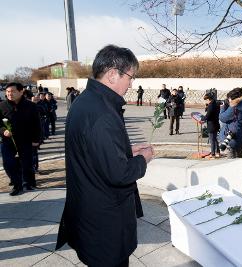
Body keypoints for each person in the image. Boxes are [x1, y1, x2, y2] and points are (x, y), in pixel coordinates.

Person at [56, 45, 154, 267]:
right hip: (105, 221)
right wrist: (143, 158)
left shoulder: (86, 102)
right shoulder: (102, 114)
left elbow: (91, 150)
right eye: (130, 77)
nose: (131, 84)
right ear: (112, 74)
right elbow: (119, 174)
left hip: (89, 212)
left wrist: (127, 151)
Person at [0, 83, 41, 195]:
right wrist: (4, 131)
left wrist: (36, 140)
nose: (9, 94)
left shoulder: (31, 106)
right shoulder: (2, 106)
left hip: (26, 141)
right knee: (8, 164)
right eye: (7, 91)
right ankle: (16, 184)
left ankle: (27, 183)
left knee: (26, 164)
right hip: (7, 141)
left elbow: (37, 124)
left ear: (21, 91)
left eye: (12, 91)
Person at [219, 88, 242, 158]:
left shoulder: (234, 107)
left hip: (231, 138)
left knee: (231, 162)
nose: (229, 100)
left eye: (229, 99)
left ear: (234, 99)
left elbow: (222, 118)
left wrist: (222, 108)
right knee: (239, 157)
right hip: (241, 136)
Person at [202, 93, 221, 158]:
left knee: (212, 140)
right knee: (215, 139)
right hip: (216, 123)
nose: (205, 101)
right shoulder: (216, 104)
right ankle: (217, 152)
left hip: (211, 124)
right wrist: (206, 107)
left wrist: (202, 118)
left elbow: (208, 115)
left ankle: (213, 154)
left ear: (208, 99)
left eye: (206, 100)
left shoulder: (211, 105)